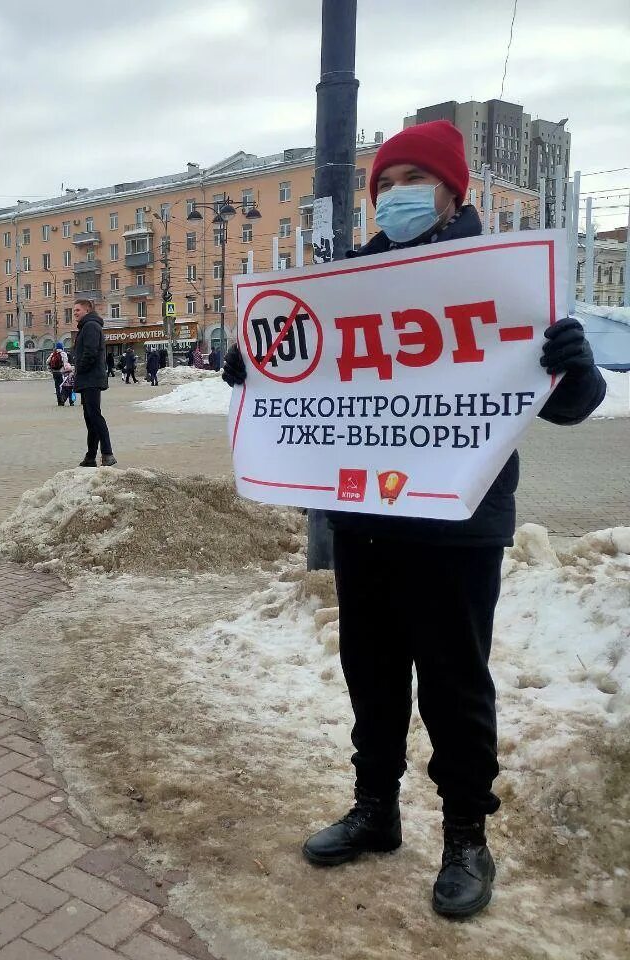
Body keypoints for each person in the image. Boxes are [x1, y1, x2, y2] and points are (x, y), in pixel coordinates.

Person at [221, 119, 607, 921]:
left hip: (458, 523)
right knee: (372, 674)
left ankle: (467, 836)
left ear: (451, 190)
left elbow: (561, 403)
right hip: (365, 519)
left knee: (456, 685)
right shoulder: (353, 280)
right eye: (384, 183)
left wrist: (576, 368)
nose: (395, 195)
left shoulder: (502, 277)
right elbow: (303, 373)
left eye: (411, 180)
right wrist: (251, 366)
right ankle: (376, 810)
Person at [72, 300, 115, 466]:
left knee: (95, 416)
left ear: (87, 309)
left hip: (90, 378)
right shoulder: (87, 326)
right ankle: (90, 457)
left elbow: (90, 352)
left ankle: (107, 453)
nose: (74, 312)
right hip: (88, 378)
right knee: (90, 418)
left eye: (77, 309)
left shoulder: (90, 326)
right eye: (73, 310)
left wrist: (80, 369)